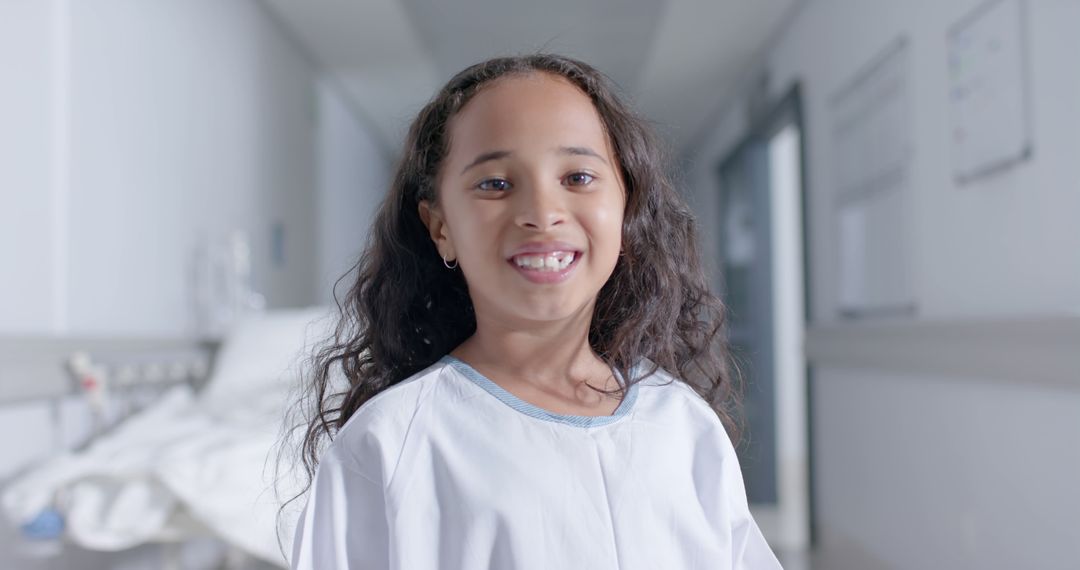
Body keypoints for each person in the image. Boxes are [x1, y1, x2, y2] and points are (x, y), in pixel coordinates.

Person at [288, 54, 783, 570]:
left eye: (577, 177)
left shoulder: (683, 425)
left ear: (625, 209)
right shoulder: (389, 444)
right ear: (441, 228)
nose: (543, 213)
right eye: (496, 184)